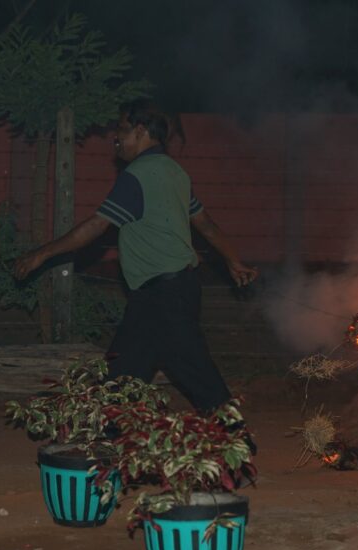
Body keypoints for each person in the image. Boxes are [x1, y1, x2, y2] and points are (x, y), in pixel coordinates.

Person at [14, 99, 258, 414]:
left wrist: (42, 254)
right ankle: (107, 434)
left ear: (141, 131)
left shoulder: (137, 175)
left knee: (194, 373)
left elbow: (97, 226)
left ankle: (234, 434)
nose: (116, 139)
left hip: (163, 295)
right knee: (122, 374)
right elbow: (206, 225)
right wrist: (233, 260)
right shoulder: (175, 172)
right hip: (169, 291)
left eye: (122, 130)